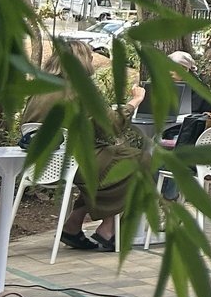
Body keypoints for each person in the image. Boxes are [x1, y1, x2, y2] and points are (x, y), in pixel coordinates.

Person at [24, 45, 148, 252]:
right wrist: (134, 102)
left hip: (41, 164)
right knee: (140, 160)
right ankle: (108, 227)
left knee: (112, 161)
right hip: (72, 163)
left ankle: (73, 225)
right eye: (90, 58)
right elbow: (112, 125)